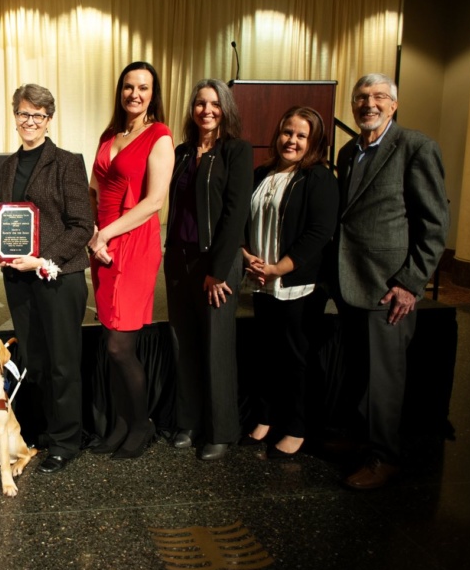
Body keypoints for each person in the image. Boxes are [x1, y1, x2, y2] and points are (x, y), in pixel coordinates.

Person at [333, 73, 448, 490]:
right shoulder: (348, 152)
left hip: (390, 287)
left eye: (379, 97)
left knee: (385, 378)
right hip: (351, 281)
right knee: (361, 372)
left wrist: (410, 283)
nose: (369, 104)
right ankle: (365, 442)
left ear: (394, 105)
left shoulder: (416, 147)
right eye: (361, 97)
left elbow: (433, 224)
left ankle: (386, 457)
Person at [0, 84, 95, 474]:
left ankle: (66, 441)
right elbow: (7, 217)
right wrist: (2, 248)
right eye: (23, 114)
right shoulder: (7, 166)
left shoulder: (67, 162)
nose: (30, 121)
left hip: (58, 277)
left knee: (63, 363)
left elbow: (81, 226)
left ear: (49, 120)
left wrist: (42, 259)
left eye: (38, 115)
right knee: (35, 360)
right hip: (18, 280)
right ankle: (43, 431)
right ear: (15, 116)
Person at [88, 62, 175, 460]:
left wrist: (106, 233)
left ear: (153, 94)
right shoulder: (111, 134)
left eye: (143, 87)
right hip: (102, 246)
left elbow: (154, 202)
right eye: (128, 87)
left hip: (134, 244)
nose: (134, 94)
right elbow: (94, 189)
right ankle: (121, 423)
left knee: (121, 346)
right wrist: (93, 234)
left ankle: (142, 424)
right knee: (110, 341)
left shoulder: (159, 137)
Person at [240, 106, 339, 459]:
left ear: (313, 142)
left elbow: (319, 232)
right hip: (261, 281)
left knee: (296, 358)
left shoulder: (318, 178)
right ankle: (266, 417)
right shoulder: (262, 174)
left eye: (301, 135)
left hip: (296, 285)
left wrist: (279, 268)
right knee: (266, 354)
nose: (292, 141)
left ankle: (297, 427)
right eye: (287, 132)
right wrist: (246, 254)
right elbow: (242, 221)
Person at [164, 78, 252, 461]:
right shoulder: (183, 152)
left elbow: (235, 215)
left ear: (225, 108)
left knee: (216, 346)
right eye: (200, 103)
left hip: (216, 263)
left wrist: (218, 270)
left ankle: (221, 431)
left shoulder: (236, 151)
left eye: (214, 103)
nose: (206, 110)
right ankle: (189, 422)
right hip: (180, 260)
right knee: (183, 344)